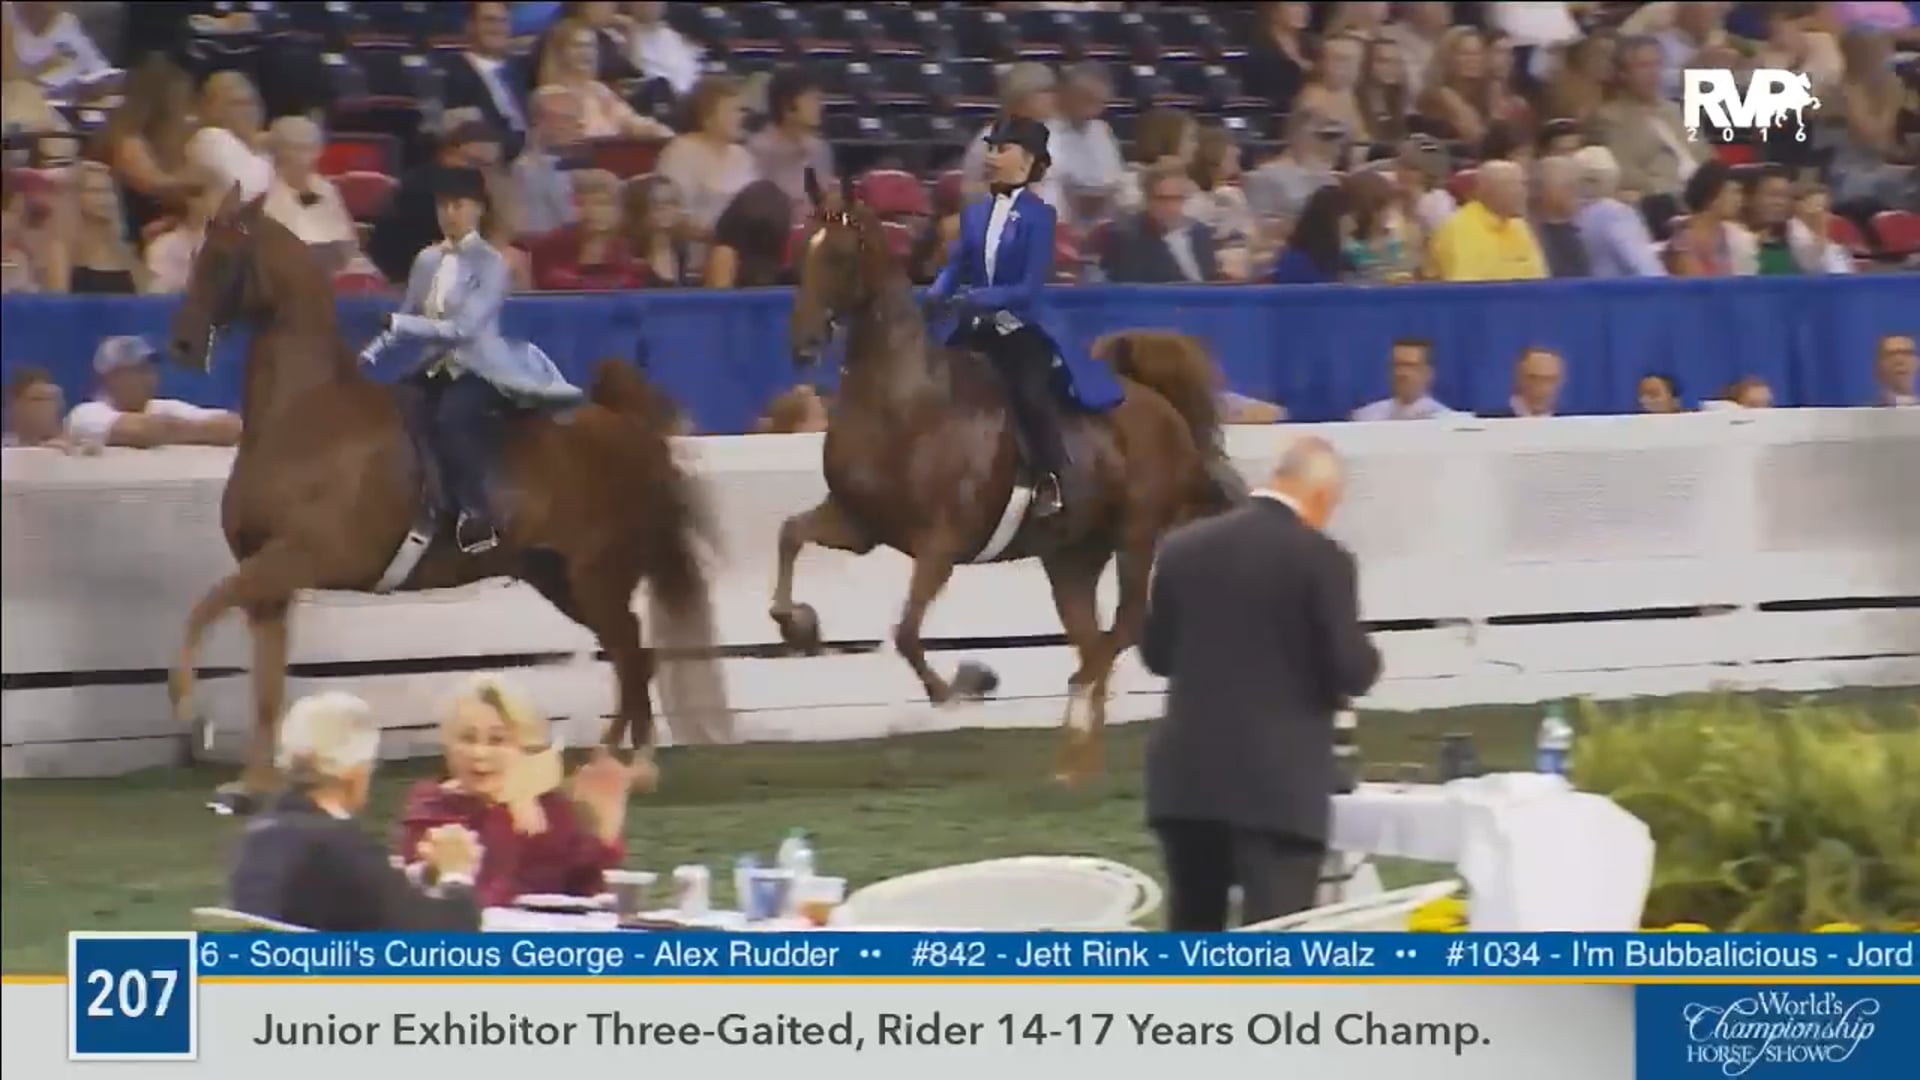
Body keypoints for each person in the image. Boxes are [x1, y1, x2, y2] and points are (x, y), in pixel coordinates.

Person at [1139, 436, 1381, 930]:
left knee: (1191, 940)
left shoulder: (1182, 548)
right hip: (1276, 788)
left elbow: (1157, 656)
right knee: (1274, 951)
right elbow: (1351, 669)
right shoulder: (1323, 558)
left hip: (1188, 782)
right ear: (1320, 498)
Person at [358, 167, 584, 555]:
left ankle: (478, 512)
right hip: (434, 365)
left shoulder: (492, 264)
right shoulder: (426, 260)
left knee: (453, 418)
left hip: (481, 368)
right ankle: (423, 503)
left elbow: (463, 328)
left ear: (477, 210)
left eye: (458, 205)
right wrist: (371, 351)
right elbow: (409, 311)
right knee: (393, 412)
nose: (449, 213)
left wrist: (400, 322)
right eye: (443, 205)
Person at [227, 692, 484, 931]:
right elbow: (447, 937)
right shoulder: (342, 848)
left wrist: (421, 874)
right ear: (356, 772)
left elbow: (365, 897)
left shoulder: (258, 838)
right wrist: (456, 874)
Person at [926, 117, 1077, 517]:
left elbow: (1028, 287)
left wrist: (980, 297)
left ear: (1028, 162)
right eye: (990, 149)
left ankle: (1050, 476)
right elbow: (957, 264)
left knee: (1029, 390)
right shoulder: (974, 214)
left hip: (1019, 325)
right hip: (974, 324)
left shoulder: (1039, 216)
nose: (992, 157)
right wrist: (938, 291)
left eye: (1002, 149)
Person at [395, 674, 632, 907]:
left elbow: (585, 892)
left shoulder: (551, 806)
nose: (479, 754)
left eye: (497, 740)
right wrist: (507, 811)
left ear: (525, 747)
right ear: (447, 745)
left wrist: (604, 833)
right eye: (467, 739)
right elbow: (482, 900)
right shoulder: (430, 810)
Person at [66, 335, 240, 449]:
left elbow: (231, 425)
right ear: (110, 377)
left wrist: (169, 429)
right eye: (139, 370)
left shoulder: (163, 407)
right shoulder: (85, 414)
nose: (149, 378)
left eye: (151, 370)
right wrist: (199, 431)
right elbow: (143, 432)